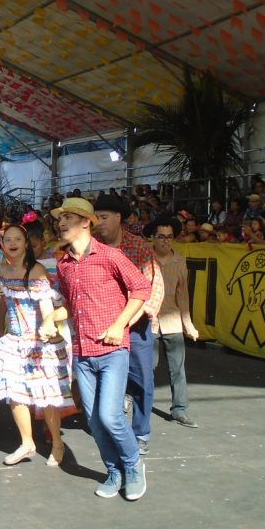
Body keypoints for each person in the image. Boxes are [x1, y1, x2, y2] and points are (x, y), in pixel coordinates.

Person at [53, 197, 150, 501]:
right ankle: (114, 470)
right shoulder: (63, 264)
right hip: (83, 353)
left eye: (68, 217)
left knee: (110, 416)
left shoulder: (111, 256)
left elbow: (141, 289)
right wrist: (48, 319)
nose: (61, 222)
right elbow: (70, 304)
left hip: (111, 350)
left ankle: (134, 465)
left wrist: (119, 325)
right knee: (94, 421)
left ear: (86, 222)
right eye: (59, 218)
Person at [0, 225, 71, 467]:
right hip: (14, 340)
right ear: (2, 243)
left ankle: (57, 443)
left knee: (45, 396)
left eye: (17, 238)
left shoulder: (36, 271)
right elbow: (4, 304)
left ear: (26, 243)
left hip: (39, 342)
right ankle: (27, 444)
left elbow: (47, 306)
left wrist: (48, 325)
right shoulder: (3, 268)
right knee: (15, 394)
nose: (12, 242)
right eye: (8, 239)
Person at [92, 194, 163, 457]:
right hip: (103, 322)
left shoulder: (139, 247)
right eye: (96, 217)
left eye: (104, 217)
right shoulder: (91, 247)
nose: (98, 223)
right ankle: (110, 425)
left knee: (143, 379)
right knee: (103, 377)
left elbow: (153, 287)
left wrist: (129, 320)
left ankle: (141, 431)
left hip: (135, 324)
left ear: (119, 217)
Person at [146, 218, 199, 427]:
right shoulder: (145, 259)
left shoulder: (179, 261)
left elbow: (183, 295)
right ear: (153, 238)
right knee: (146, 366)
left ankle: (180, 409)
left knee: (177, 369)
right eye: (161, 237)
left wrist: (189, 325)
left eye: (169, 237)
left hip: (172, 321)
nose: (165, 241)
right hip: (148, 321)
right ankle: (134, 399)